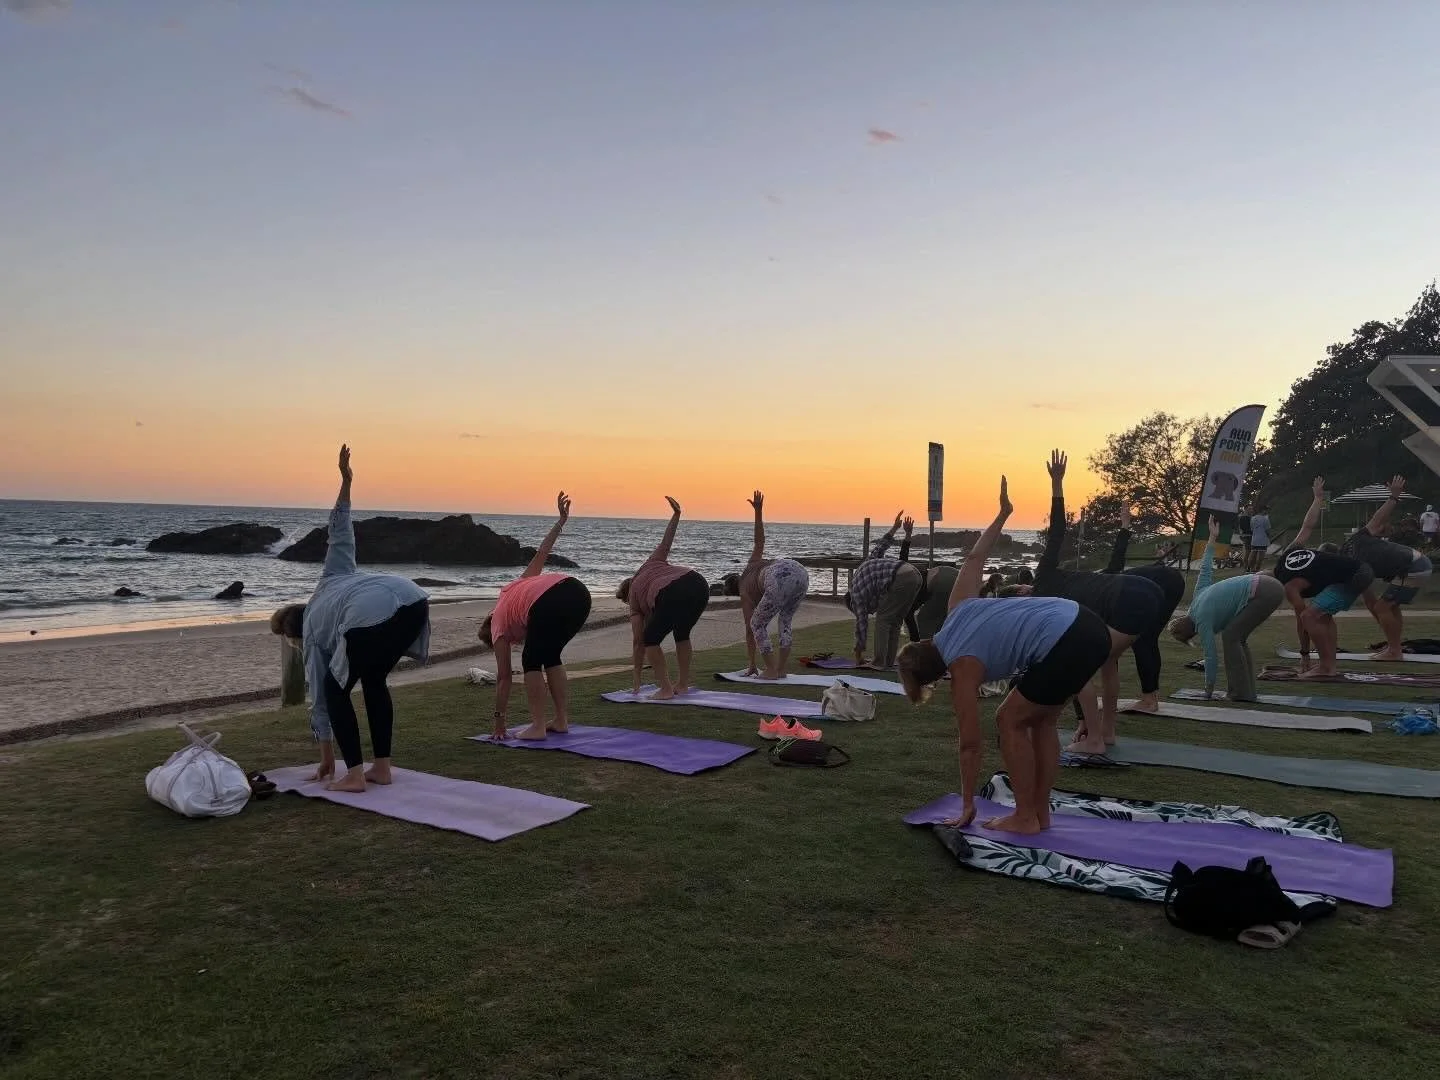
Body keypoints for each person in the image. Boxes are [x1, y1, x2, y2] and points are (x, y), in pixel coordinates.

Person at [896, 476, 1111, 835]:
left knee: (1008, 718)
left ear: (935, 676)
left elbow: (970, 745)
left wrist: (967, 804)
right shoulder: (958, 607)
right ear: (926, 641)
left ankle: (1025, 816)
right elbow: (976, 556)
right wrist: (1002, 514)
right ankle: (1039, 814)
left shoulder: (962, 667)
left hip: (1066, 639)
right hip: (1089, 625)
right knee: (1040, 720)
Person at [269, 445, 431, 793]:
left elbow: (321, 700)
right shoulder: (332, 577)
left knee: (333, 687)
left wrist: (327, 758)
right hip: (412, 600)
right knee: (373, 681)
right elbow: (340, 533)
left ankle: (355, 775)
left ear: (293, 632)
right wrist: (346, 483)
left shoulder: (313, 635)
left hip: (370, 614)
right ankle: (381, 768)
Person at [1020, 451, 1165, 754]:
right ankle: (1106, 732)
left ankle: (1095, 738)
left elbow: (1058, 528)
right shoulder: (1062, 587)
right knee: (1107, 663)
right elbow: (1112, 568)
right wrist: (1124, 528)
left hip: (1130, 597)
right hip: (1142, 592)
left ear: (1024, 589)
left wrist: (1057, 484)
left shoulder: (1044, 581)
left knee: (1077, 666)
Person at [479, 493, 592, 740]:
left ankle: (538, 726)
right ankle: (560, 721)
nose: (513, 643)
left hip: (550, 599)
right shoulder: (517, 588)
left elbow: (504, 678)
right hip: (578, 592)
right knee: (550, 656)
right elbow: (542, 552)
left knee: (531, 660)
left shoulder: (498, 625)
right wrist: (561, 521)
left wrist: (499, 722)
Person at [1170, 515, 1286, 700]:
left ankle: (1240, 693)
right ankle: (1247, 692)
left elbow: (1210, 658)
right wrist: (1212, 537)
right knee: (1237, 638)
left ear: (1191, 633)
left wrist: (1208, 691)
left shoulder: (1203, 622)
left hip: (1264, 590)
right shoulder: (1197, 599)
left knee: (1230, 636)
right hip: (1267, 583)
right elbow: (1205, 567)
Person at [1272, 477, 1375, 678]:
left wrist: (1304, 653)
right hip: (1359, 569)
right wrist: (1317, 499)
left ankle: (1326, 668)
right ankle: (1330, 664)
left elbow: (1302, 622)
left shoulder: (1289, 587)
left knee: (1309, 616)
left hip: (1355, 575)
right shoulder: (1288, 554)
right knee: (1323, 615)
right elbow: (1307, 526)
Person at [617, 497, 710, 699]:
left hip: (672, 590)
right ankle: (682, 685)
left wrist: (636, 678)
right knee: (682, 633)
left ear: (626, 594)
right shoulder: (651, 563)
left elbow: (638, 642)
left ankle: (666, 689)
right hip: (698, 583)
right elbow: (666, 542)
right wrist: (676, 515)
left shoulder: (634, 600)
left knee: (651, 639)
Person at [1104, 504, 1185, 712]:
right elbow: (1117, 559)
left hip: (1162, 582)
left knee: (1143, 640)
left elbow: (1117, 558)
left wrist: (1125, 526)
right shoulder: (1100, 581)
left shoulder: (1097, 587)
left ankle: (1149, 700)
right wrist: (1125, 525)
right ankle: (1151, 696)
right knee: (1147, 640)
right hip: (1170, 580)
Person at [1342, 475, 1433, 660]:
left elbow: (1378, 518)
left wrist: (1393, 498)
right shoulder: (1356, 545)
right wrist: (1393, 497)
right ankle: (1395, 646)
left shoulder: (1354, 552)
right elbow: (1369, 601)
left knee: (1384, 607)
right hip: (1417, 564)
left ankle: (1394, 650)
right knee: (1389, 606)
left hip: (1413, 566)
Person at [727, 490, 809, 679]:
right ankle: (780, 669)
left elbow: (750, 629)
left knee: (757, 623)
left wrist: (752, 664)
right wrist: (758, 511)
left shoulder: (744, 590)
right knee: (785, 620)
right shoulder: (752, 564)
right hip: (799, 571)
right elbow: (759, 540)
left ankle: (771, 669)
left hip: (778, 575)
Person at [845, 512, 923, 669]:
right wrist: (895, 527)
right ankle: (887, 662)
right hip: (915, 575)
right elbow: (883, 544)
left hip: (901, 577)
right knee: (894, 621)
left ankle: (879, 662)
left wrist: (859, 656)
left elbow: (862, 626)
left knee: (883, 619)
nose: (868, 611)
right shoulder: (867, 564)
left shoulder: (857, 595)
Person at [1246, 504, 1272, 572]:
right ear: (1263, 510)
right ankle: (1257, 569)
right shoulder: (1265, 519)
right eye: (1266, 510)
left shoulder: (1253, 518)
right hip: (1263, 540)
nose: (1267, 511)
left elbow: (1252, 529)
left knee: (1252, 553)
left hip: (1254, 539)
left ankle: (1249, 567)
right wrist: (1269, 537)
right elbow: (1267, 530)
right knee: (1261, 555)